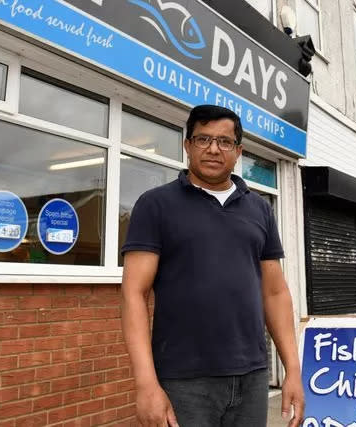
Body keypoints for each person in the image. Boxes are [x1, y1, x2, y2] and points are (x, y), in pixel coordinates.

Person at [121, 105, 304, 427]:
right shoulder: (156, 205)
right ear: (187, 145)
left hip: (252, 376)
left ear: (238, 151)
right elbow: (133, 294)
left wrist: (293, 371)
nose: (213, 149)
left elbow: (275, 293)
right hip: (183, 379)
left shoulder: (259, 208)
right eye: (203, 139)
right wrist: (146, 383)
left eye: (224, 142)